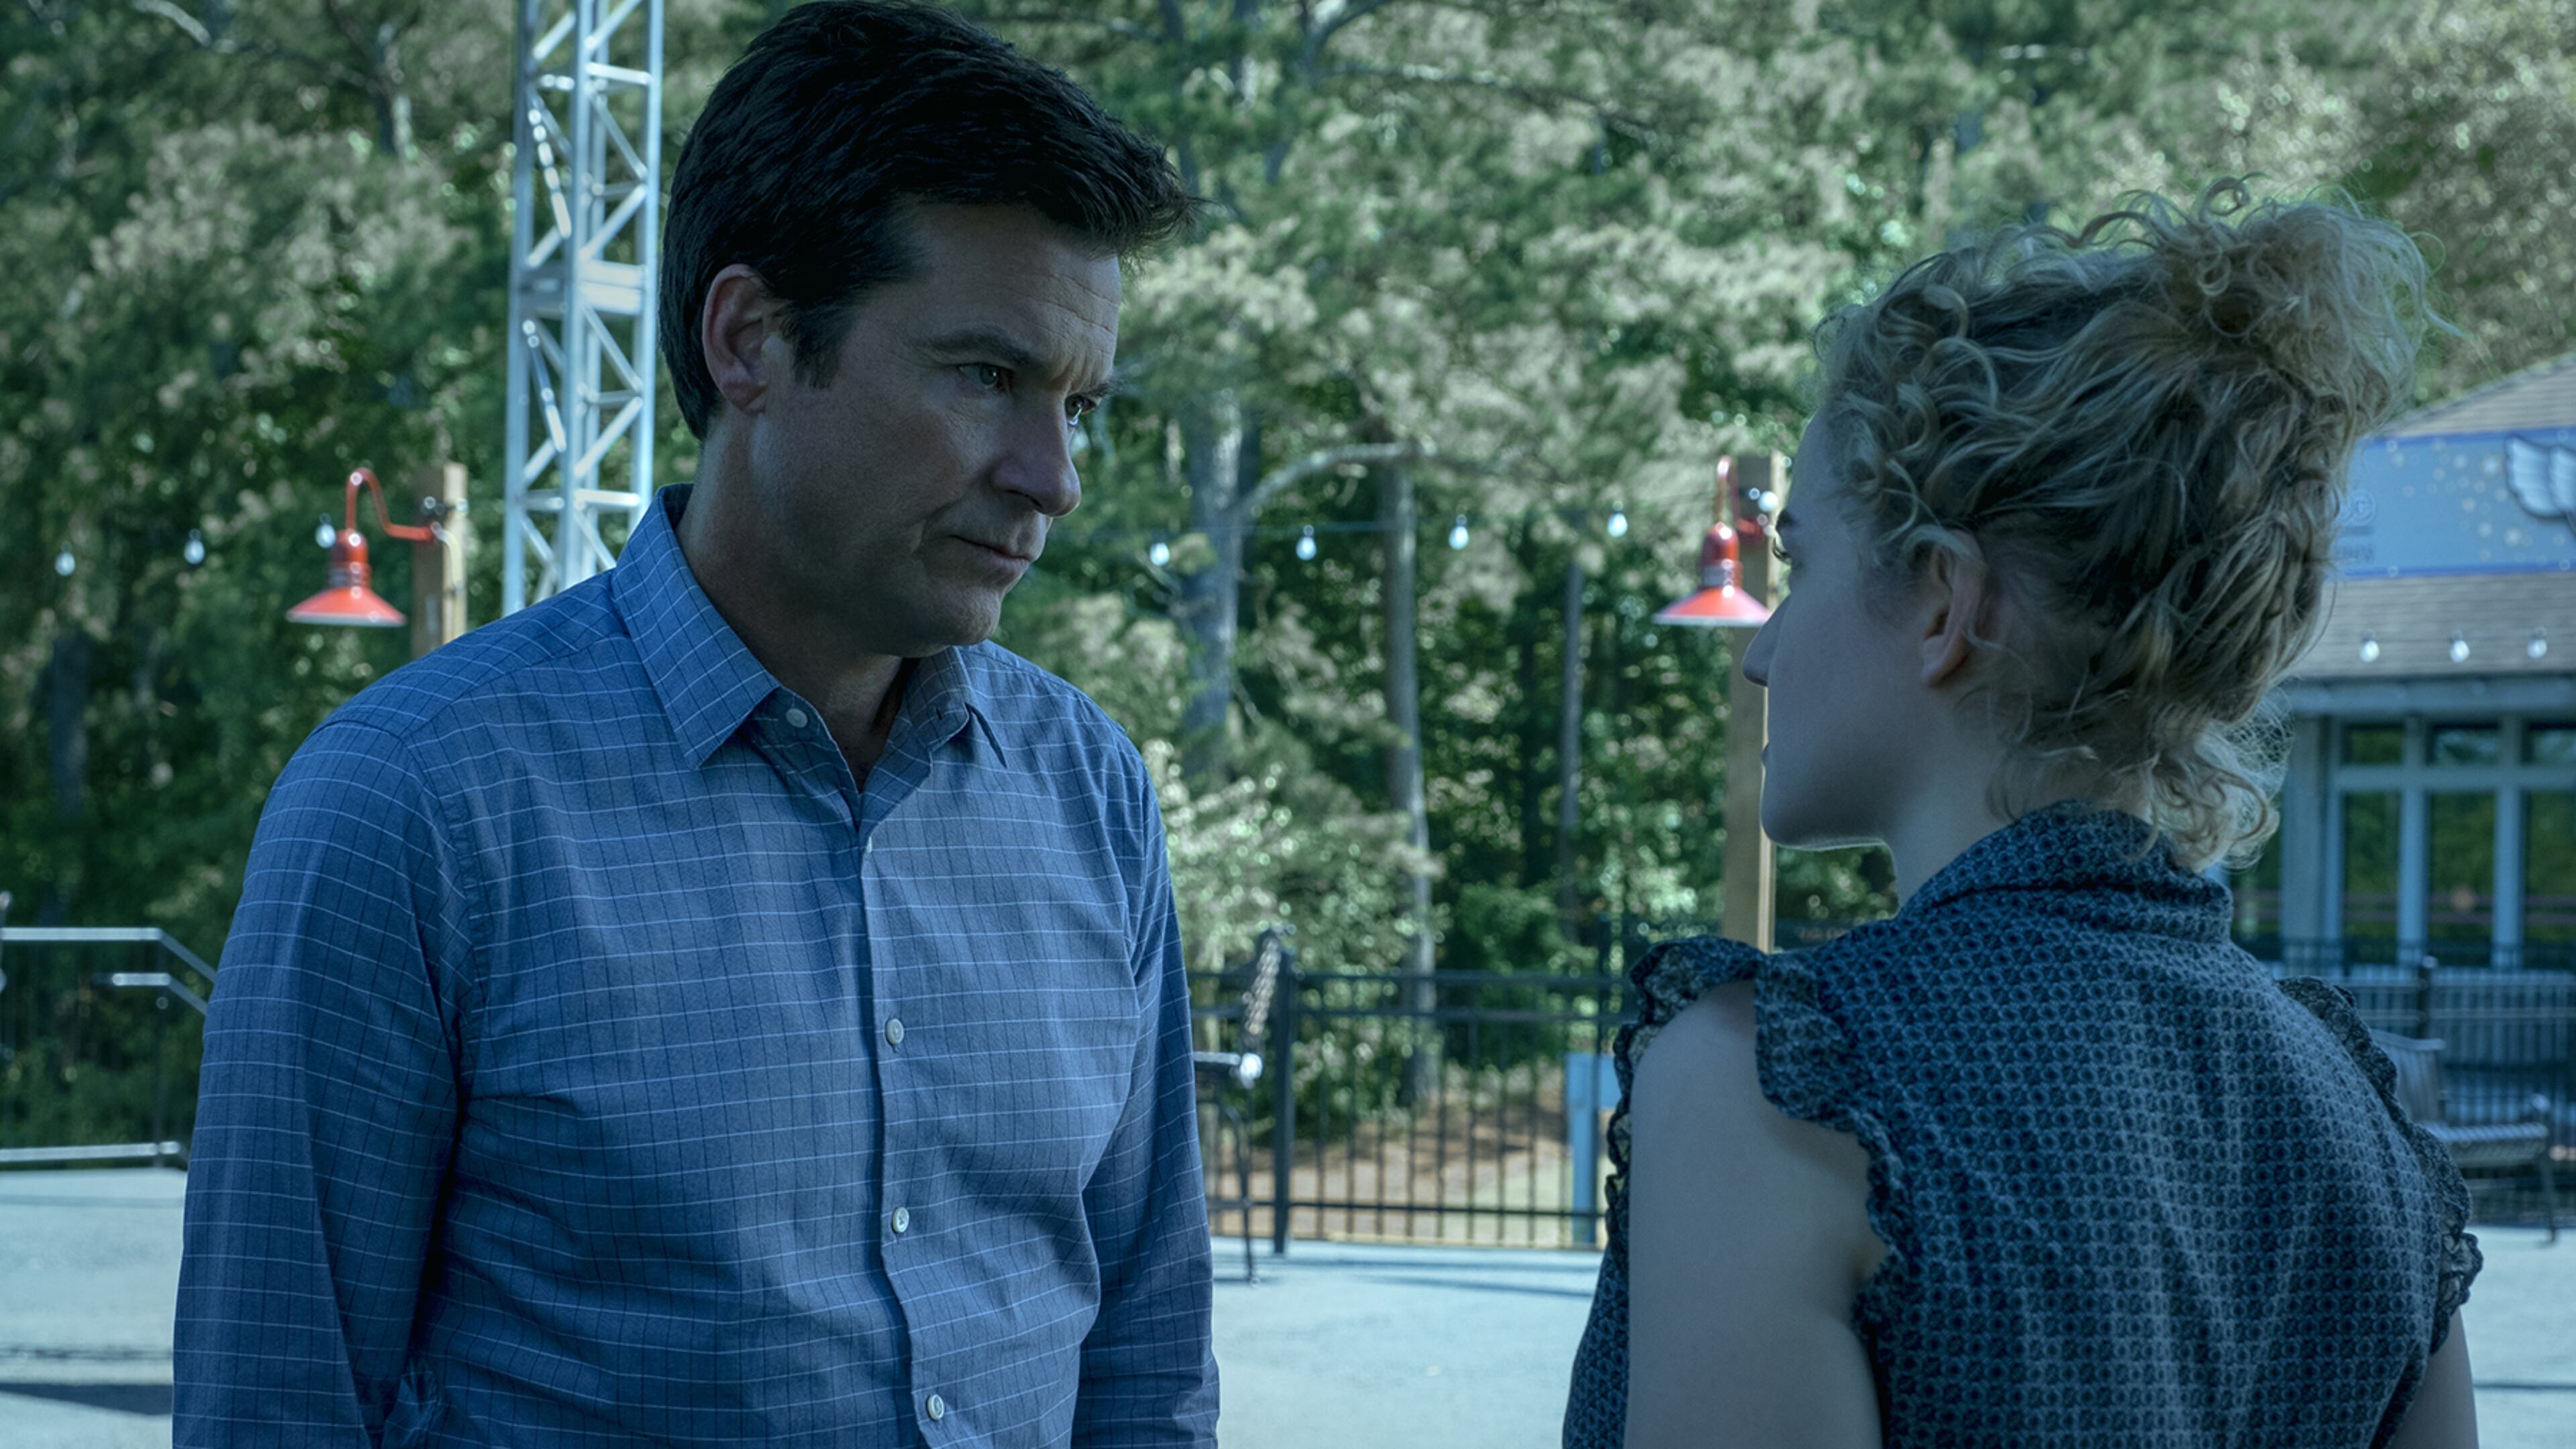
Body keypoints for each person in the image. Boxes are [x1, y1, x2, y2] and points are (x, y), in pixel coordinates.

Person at [175, 5, 1214, 1444]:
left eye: (1079, 404)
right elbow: (277, 1405)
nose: (1055, 477)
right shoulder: (414, 809)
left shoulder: (1089, 790)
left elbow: (1148, 1371)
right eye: (988, 376)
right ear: (751, 341)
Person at [1567, 182, 2483, 1448]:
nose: (1760, 654)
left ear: (1945, 604)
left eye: (1801, 564)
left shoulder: (1777, 1088)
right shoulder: (2357, 1126)